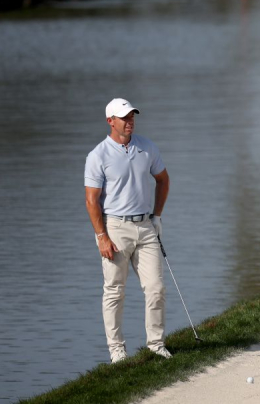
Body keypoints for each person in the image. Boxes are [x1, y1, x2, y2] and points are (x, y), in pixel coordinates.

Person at [84, 98, 173, 364]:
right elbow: (91, 201)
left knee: (156, 288)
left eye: (132, 115)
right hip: (115, 228)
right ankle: (117, 351)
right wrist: (101, 236)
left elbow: (163, 180)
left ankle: (156, 345)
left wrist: (157, 216)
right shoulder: (98, 155)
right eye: (124, 117)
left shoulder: (147, 147)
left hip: (146, 227)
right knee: (114, 290)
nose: (130, 120)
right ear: (110, 121)